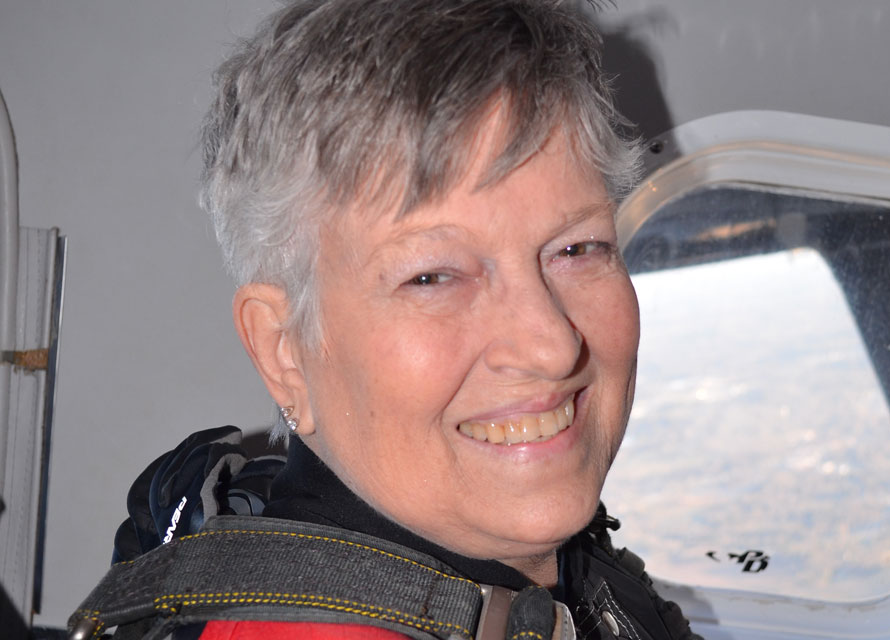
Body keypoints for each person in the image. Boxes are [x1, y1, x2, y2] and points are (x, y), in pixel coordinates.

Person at [69, 1, 700, 638]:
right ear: (285, 354)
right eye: (432, 277)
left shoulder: (562, 583)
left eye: (577, 248)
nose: (550, 345)